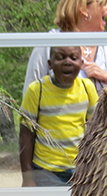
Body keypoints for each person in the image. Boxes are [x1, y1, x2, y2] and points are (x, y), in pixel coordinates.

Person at [20, 46, 99, 187]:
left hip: (81, 171)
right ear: (50, 64)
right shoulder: (36, 90)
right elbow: (26, 134)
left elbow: (98, 129)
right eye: (60, 57)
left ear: (81, 64)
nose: (67, 62)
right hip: (45, 171)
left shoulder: (87, 88)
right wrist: (27, 177)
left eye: (73, 58)